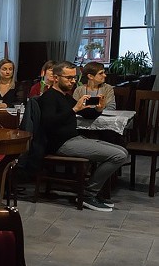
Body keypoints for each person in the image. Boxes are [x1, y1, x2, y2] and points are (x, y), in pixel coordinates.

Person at [39, 61, 128, 212]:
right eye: (68, 78)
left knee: (123, 151)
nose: (73, 81)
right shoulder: (49, 97)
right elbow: (48, 123)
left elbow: (86, 114)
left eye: (74, 78)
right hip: (60, 144)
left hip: (74, 139)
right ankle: (88, 194)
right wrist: (74, 109)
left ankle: (90, 192)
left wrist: (98, 109)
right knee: (118, 155)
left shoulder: (65, 97)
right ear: (55, 78)